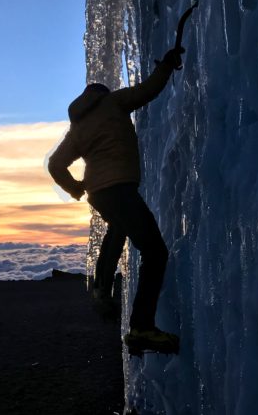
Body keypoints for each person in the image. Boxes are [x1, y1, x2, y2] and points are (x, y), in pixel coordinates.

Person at [47, 46, 184, 351]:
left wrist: (76, 188)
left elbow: (55, 165)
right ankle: (141, 327)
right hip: (119, 187)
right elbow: (147, 90)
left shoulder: (78, 129)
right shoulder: (113, 102)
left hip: (99, 193)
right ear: (101, 93)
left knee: (119, 228)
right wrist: (167, 66)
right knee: (155, 252)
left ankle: (101, 286)